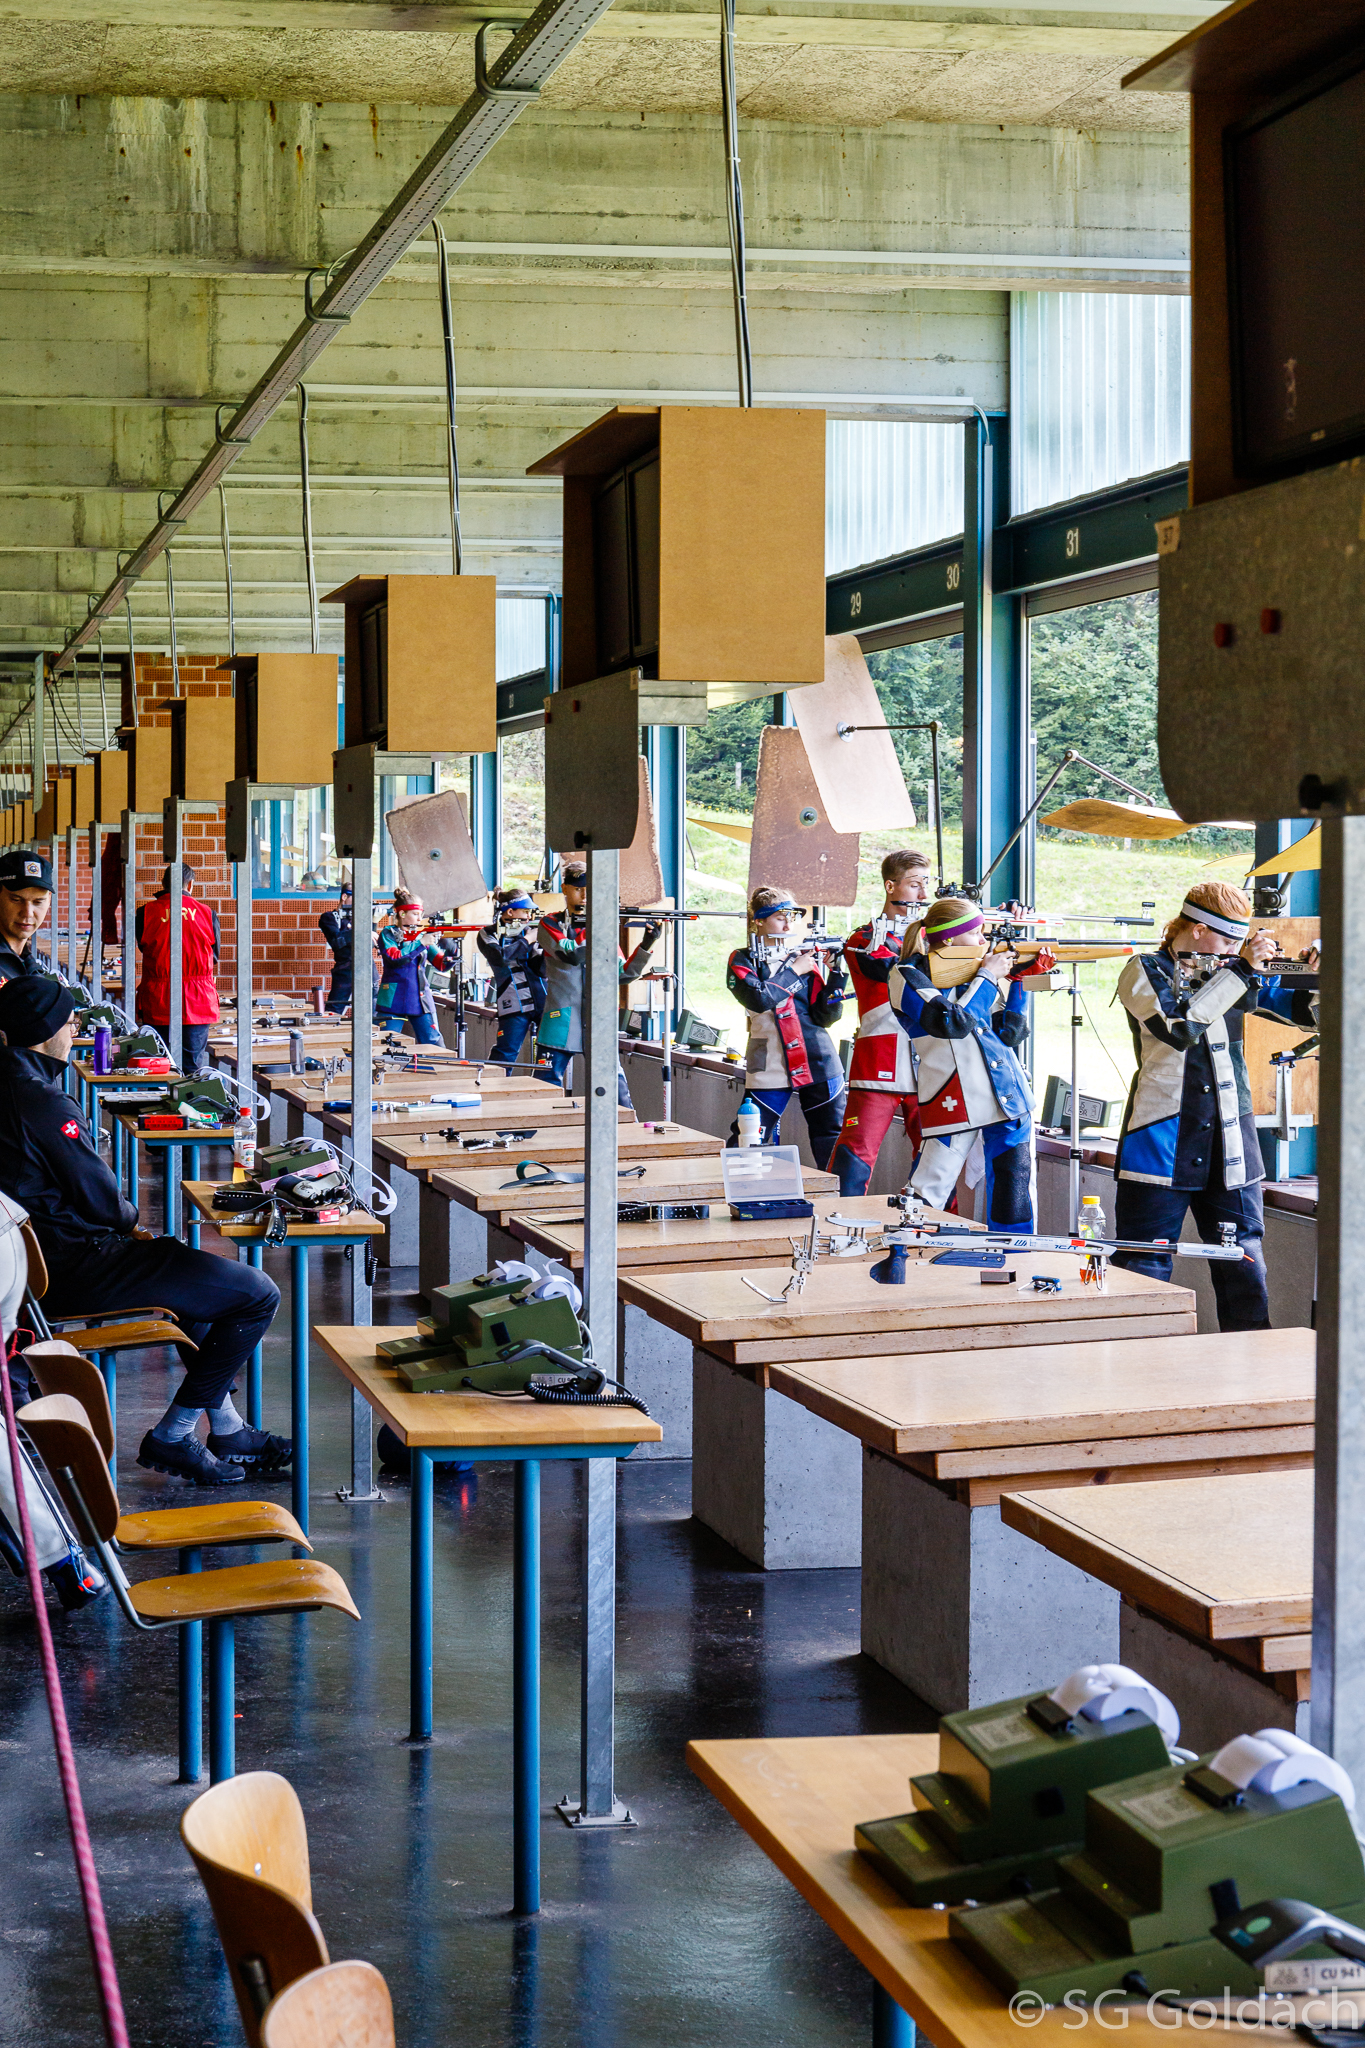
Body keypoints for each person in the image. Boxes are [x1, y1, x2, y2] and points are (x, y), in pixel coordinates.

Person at [0, 976, 288, 1487]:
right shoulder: (42, 1102)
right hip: (74, 1268)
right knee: (256, 1294)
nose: (73, 1031)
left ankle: (227, 1428)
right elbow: (104, 1203)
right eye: (68, 1022)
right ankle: (174, 1434)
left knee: (194, 1287)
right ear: (48, 1032)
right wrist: (135, 1221)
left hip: (29, 1267)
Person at [1109, 881, 1312, 1332]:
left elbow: (1305, 1013)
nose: (1233, 952)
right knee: (1144, 1265)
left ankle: (1252, 1365)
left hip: (1232, 1140)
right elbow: (1178, 1027)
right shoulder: (1143, 969)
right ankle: (1132, 1364)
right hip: (1161, 1137)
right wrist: (1241, 970)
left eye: (1238, 944)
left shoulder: (1230, 969)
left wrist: (1323, 976)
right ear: (1198, 930)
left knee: (1244, 1267)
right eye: (1227, 941)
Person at [888, 897, 1040, 1228]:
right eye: (976, 933)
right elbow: (950, 1023)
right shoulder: (907, 974)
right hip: (952, 1096)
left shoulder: (974, 973)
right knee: (929, 1187)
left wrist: (1020, 982)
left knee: (1014, 1192)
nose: (984, 941)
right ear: (949, 938)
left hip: (1008, 1094)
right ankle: (902, 1251)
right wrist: (987, 976)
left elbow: (1010, 1033)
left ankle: (1014, 1254)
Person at [828, 848, 933, 1197]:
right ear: (891, 887)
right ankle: (837, 1220)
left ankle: (936, 1226)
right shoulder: (864, 938)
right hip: (879, 1062)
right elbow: (894, 972)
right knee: (855, 1156)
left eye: (926, 884)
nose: (923, 893)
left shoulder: (934, 939)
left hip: (930, 1062)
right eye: (915, 884)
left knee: (937, 1160)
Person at [726, 887, 848, 1170]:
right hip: (767, 1062)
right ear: (758, 920)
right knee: (748, 1137)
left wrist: (837, 974)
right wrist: (795, 971)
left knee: (831, 1137)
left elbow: (826, 1016)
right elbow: (758, 1000)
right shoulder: (742, 959)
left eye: (791, 918)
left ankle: (837, 1195)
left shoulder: (801, 958)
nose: (788, 925)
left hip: (819, 1060)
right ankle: (741, 1192)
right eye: (780, 918)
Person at [536, 866, 662, 1106]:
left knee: (617, 1091)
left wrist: (647, 944)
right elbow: (570, 954)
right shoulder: (550, 922)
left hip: (599, 1020)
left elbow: (623, 974)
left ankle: (627, 1130)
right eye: (578, 889)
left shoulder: (602, 930)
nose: (584, 896)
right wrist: (597, 928)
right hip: (561, 1017)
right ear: (564, 889)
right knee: (544, 1087)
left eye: (590, 890)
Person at [136, 864, 221, 1071]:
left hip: (158, 999)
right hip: (198, 1001)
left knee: (158, 1067)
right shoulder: (207, 913)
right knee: (191, 1068)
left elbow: (143, 947)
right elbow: (214, 956)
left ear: (163, 884)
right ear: (190, 885)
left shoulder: (145, 913)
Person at [477, 888, 545, 1068]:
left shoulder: (529, 931)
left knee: (548, 1056)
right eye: (525, 912)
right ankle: (495, 1086)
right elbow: (500, 958)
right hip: (512, 1002)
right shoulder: (488, 933)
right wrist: (527, 940)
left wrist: (547, 947)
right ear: (510, 912)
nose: (529, 917)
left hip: (541, 1001)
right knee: (504, 1055)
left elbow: (542, 970)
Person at [375, 888, 442, 1045]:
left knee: (435, 1044)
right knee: (385, 1044)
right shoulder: (388, 933)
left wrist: (452, 948)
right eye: (415, 914)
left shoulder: (420, 935)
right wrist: (421, 943)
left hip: (420, 999)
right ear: (402, 913)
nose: (420, 918)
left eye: (421, 914)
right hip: (392, 998)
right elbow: (395, 957)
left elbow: (441, 963)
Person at [0, 849, 55, 984]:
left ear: (49, 900)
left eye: (38, 902)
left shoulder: (28, 964)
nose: (28, 913)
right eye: (16, 900)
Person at [318, 883, 355, 1014]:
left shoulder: (359, 919)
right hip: (345, 969)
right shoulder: (330, 917)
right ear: (344, 897)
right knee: (334, 1011)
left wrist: (373, 922)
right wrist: (361, 931)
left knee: (372, 1011)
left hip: (366, 969)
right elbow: (336, 941)